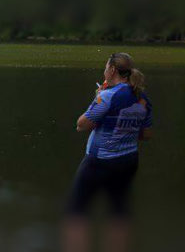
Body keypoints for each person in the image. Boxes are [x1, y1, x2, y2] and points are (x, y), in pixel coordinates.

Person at [63, 53, 152, 252]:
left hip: (100, 161)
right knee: (119, 211)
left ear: (111, 70)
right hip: (128, 161)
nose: (104, 71)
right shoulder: (142, 98)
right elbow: (146, 134)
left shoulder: (107, 96)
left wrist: (98, 97)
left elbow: (82, 124)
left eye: (105, 67)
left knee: (76, 210)